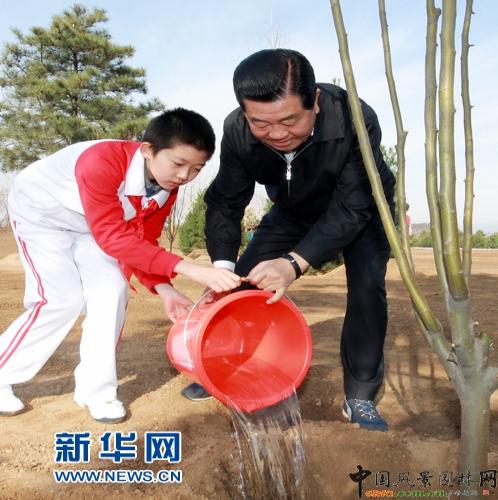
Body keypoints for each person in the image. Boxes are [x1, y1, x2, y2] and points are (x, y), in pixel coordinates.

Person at [183, 49, 396, 432]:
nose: (278, 134)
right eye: (261, 124)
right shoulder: (237, 131)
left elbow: (353, 205)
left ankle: (360, 394)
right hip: (293, 210)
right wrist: (222, 269)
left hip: (360, 209)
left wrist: (294, 262)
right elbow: (226, 202)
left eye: (290, 120)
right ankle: (223, 364)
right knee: (241, 281)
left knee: (367, 286)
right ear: (245, 114)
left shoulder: (353, 118)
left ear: (315, 100)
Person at [0, 108, 241, 423]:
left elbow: (143, 240)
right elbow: (113, 238)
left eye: (196, 169)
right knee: (59, 300)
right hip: (42, 215)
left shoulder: (167, 188)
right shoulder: (101, 161)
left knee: (113, 291)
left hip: (92, 227)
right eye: (178, 164)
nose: (184, 176)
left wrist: (163, 287)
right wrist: (189, 268)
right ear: (148, 150)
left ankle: (96, 391)